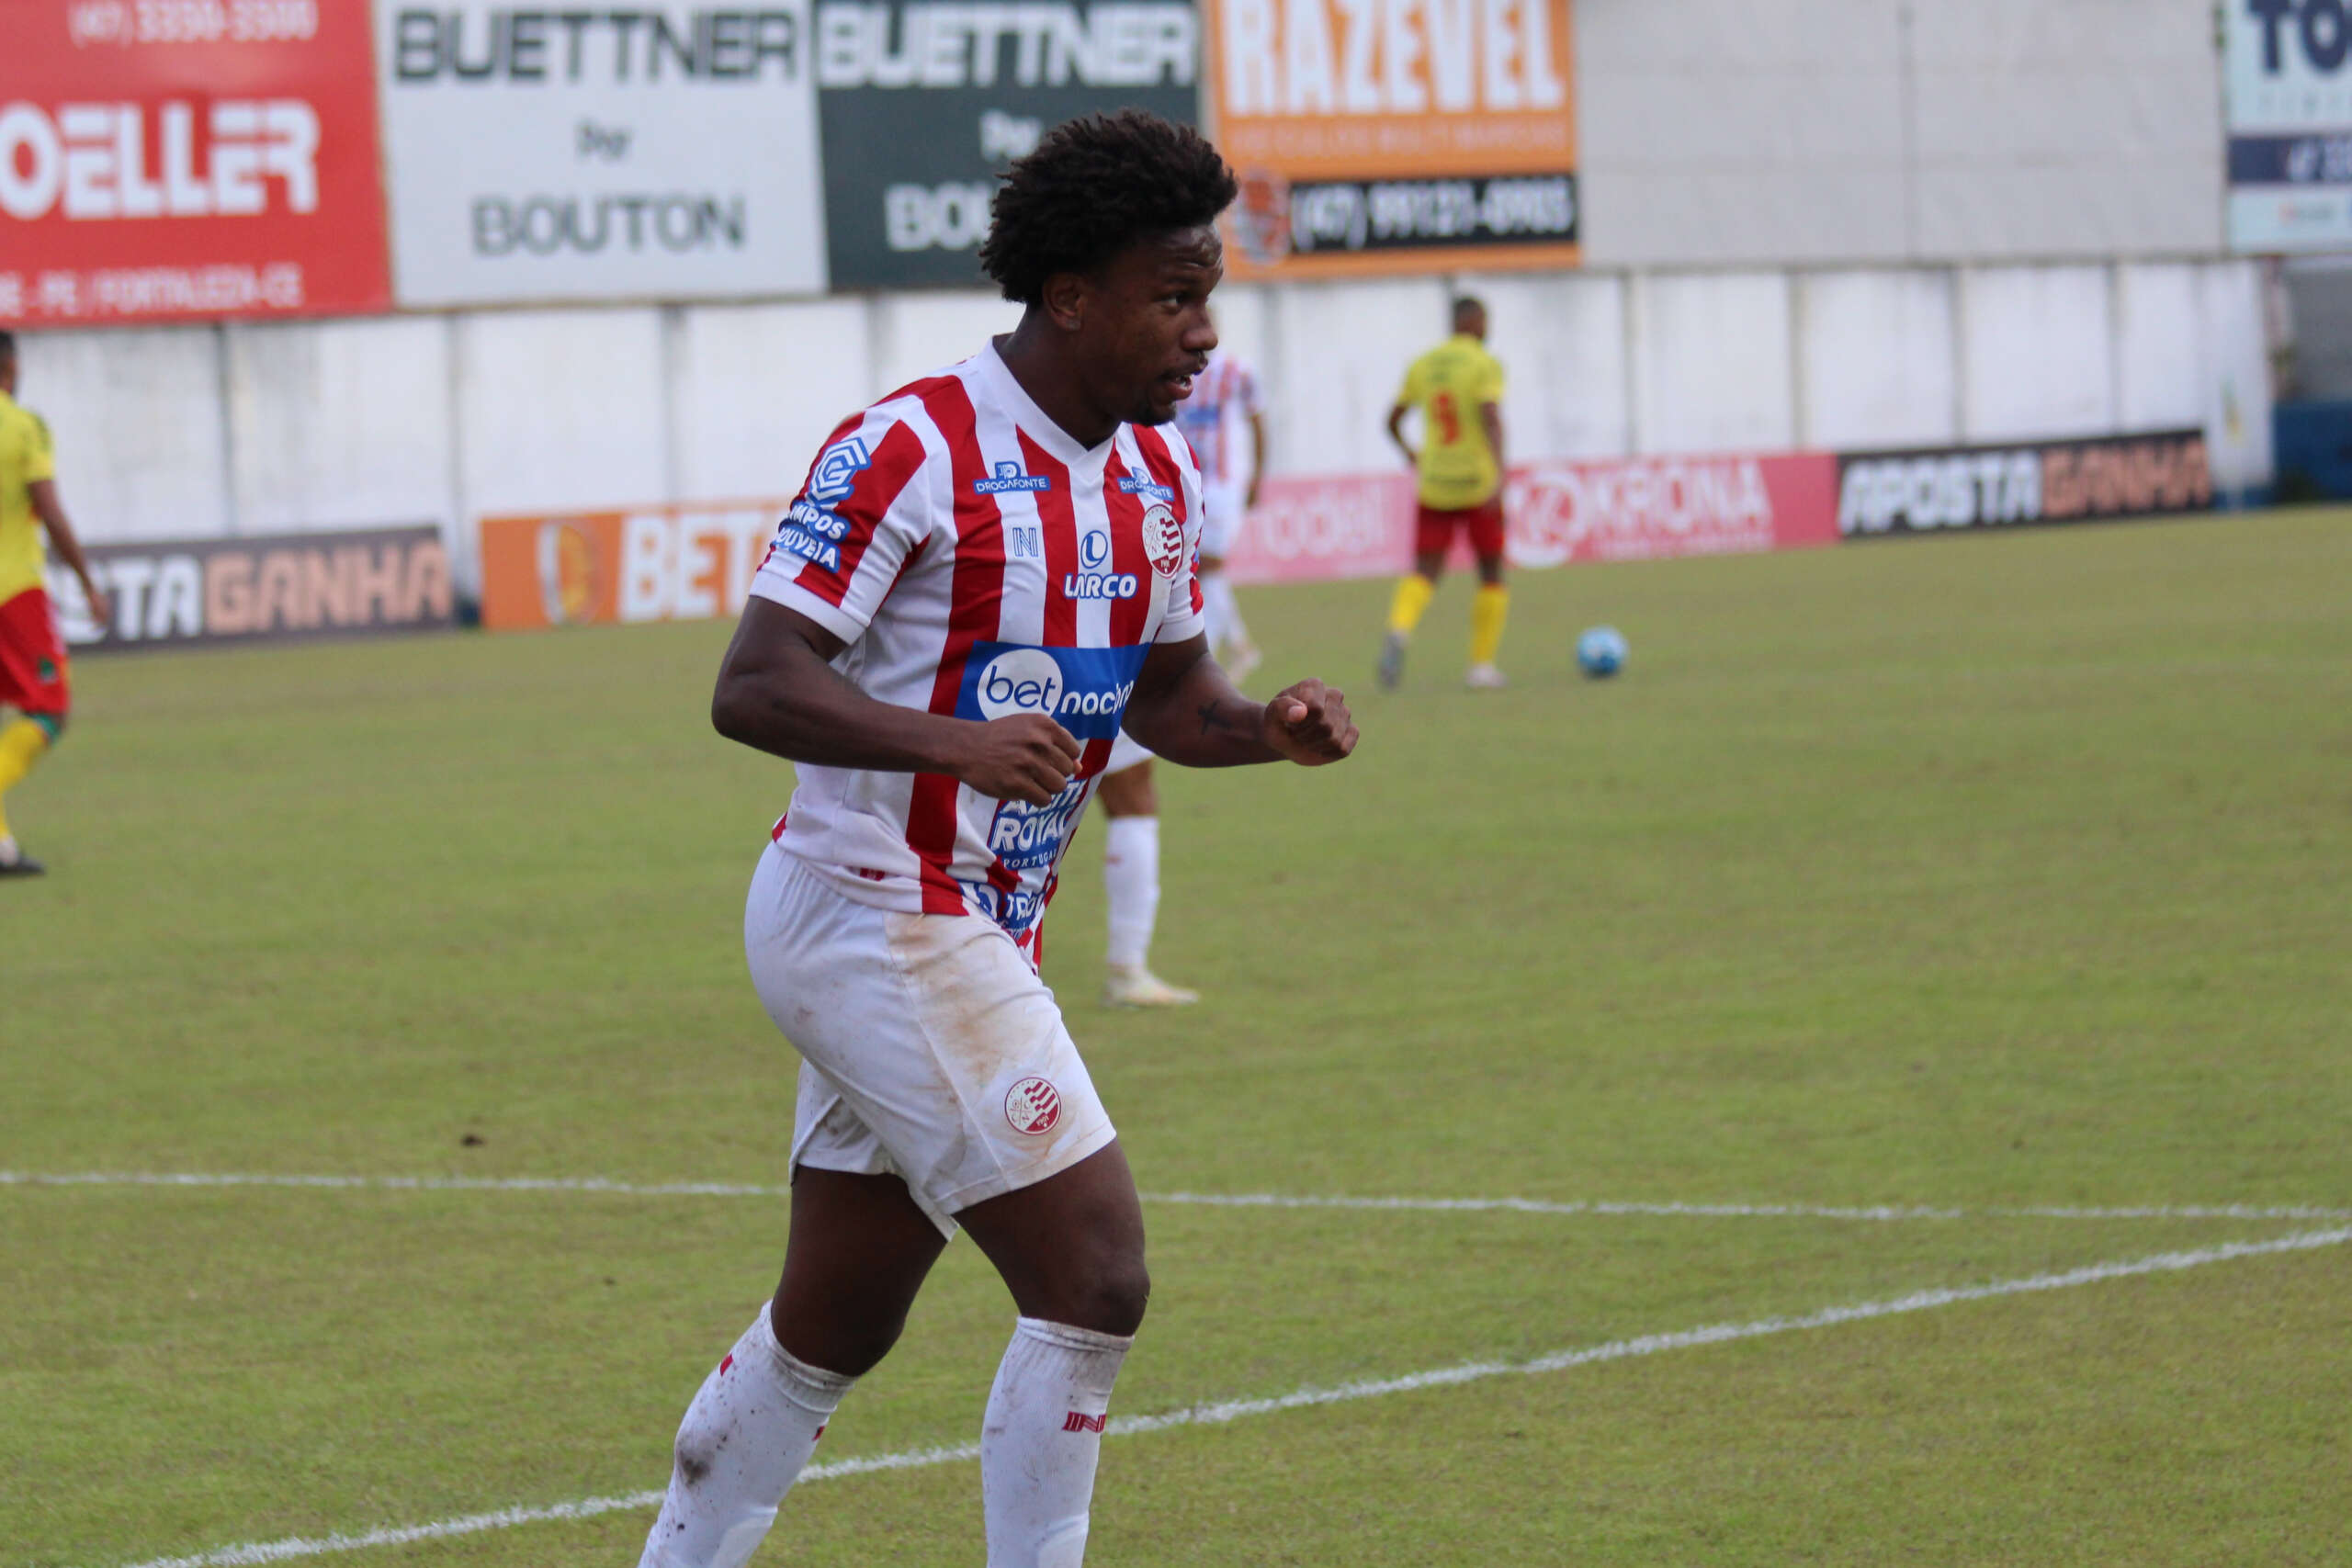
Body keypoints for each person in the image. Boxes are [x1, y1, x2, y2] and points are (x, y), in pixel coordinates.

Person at [637, 110, 1357, 1568]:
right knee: (1096, 1272)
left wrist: (1266, 729)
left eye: (1206, 297)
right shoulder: (911, 446)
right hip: (873, 910)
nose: (1203, 334)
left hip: (964, 925)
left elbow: (1169, 695)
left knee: (833, 1320)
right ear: (1071, 296)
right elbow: (753, 683)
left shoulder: (1155, 479)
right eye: (1174, 296)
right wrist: (950, 740)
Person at [1091, 340, 1267, 1010]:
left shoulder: (1156, 450)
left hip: (1082, 666)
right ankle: (1125, 967)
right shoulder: (1147, 451)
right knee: (1131, 799)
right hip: (1102, 664)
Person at [0, 332, 109, 878]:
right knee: (49, 711)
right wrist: (88, 581)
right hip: (12, 593)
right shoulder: (23, 426)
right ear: (11, 367)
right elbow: (50, 510)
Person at [1377, 296, 1510, 691]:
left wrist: (1410, 453)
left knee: (1425, 570)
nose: (1488, 329)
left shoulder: (1425, 363)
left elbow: (1392, 420)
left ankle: (1399, 630)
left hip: (1435, 483)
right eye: (1485, 321)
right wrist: (1501, 473)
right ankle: (1481, 665)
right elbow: (1491, 418)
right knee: (1491, 571)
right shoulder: (1483, 363)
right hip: (1476, 483)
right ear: (1472, 321)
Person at [1170, 342, 1265, 681]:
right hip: (1187, 482)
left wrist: (1257, 474)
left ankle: (1208, 655)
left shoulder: (1235, 370)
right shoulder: (1173, 370)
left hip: (1224, 485)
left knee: (1206, 565)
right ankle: (1240, 646)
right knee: (1200, 568)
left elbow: (1257, 418)